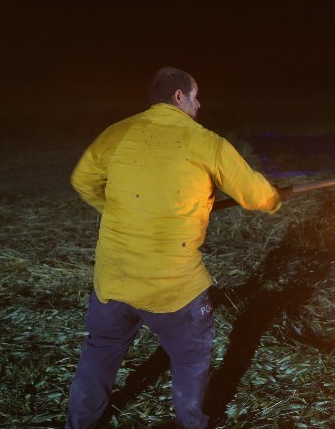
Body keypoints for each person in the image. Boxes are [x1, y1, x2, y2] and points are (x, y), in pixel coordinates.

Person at [66, 67, 281, 428]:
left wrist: (119, 209)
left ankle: (80, 424)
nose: (200, 103)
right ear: (179, 97)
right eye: (196, 96)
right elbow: (257, 195)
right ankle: (192, 422)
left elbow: (83, 180)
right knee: (191, 358)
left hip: (114, 280)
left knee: (99, 353)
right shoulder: (206, 143)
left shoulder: (117, 133)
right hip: (174, 289)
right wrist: (274, 198)